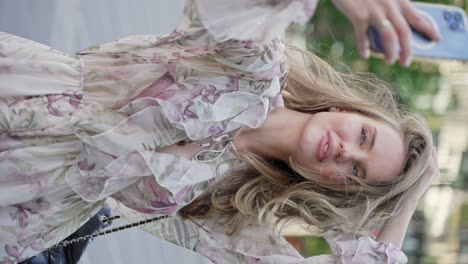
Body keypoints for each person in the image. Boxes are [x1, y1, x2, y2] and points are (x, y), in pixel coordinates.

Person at [0, 0, 441, 263]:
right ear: (345, 107)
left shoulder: (236, 210)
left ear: (335, 186)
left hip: (18, 214)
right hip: (18, 94)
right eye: (363, 136)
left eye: (357, 173)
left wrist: (412, 194)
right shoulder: (255, 72)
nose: (346, 151)